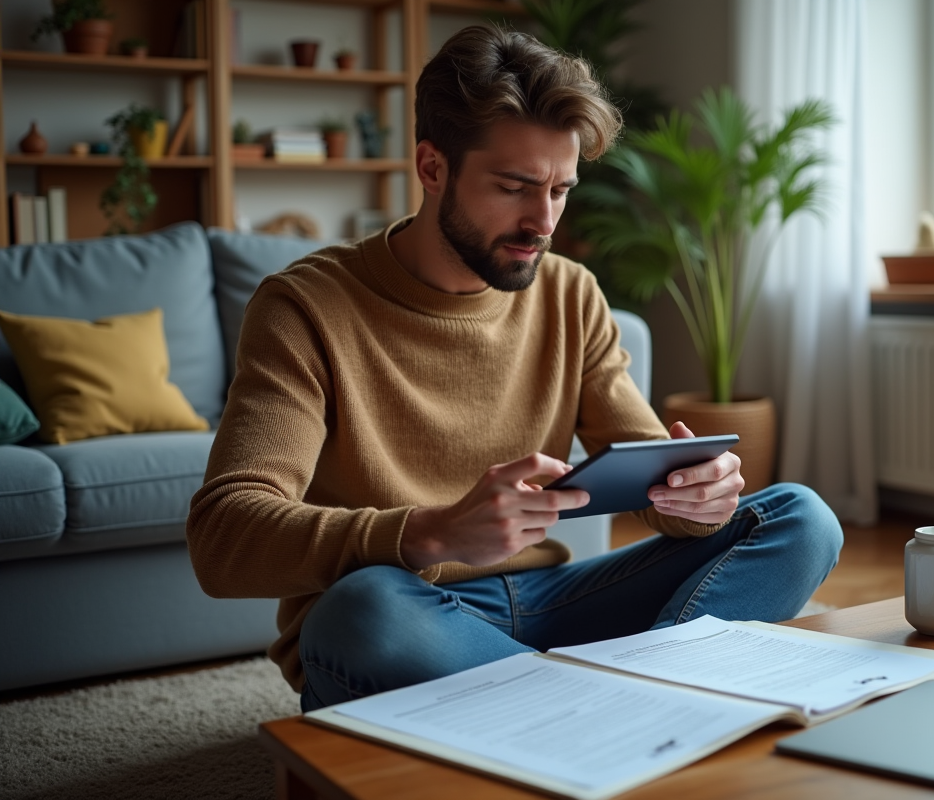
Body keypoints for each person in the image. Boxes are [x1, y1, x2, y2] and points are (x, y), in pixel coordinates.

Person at [186, 25, 843, 712]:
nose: (544, 221)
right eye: (515, 187)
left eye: (561, 190)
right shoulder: (304, 307)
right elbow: (224, 537)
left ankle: (579, 707)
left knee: (802, 520)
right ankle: (628, 704)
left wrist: (698, 497)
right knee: (363, 610)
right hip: (404, 610)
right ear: (432, 167)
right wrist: (431, 532)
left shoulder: (570, 293)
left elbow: (655, 482)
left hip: (550, 601)